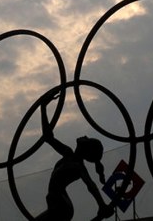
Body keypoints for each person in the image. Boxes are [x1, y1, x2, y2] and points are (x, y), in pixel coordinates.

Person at [35, 93, 114, 221]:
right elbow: (48, 137)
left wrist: (102, 205)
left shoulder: (78, 166)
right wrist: (43, 107)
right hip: (56, 203)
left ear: (86, 148)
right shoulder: (68, 153)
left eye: (88, 139)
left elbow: (91, 186)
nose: (84, 136)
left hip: (61, 207)